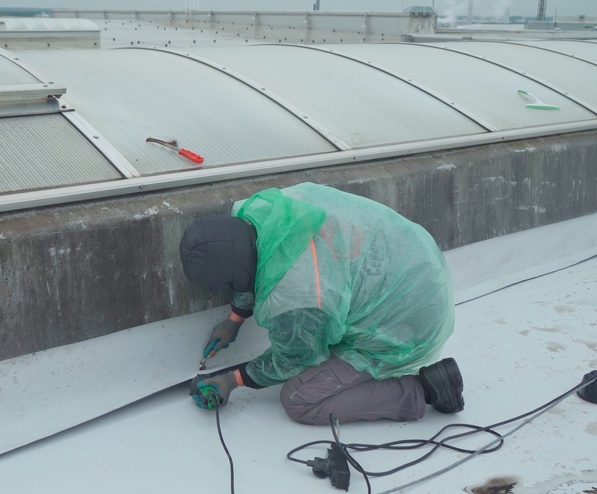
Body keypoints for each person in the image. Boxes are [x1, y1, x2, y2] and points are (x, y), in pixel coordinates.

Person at [179, 182, 463, 424]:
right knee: (321, 332)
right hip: (416, 262)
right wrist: (234, 320)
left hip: (407, 324)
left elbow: (293, 359)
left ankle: (422, 390)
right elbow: (255, 259)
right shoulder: (266, 210)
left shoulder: (298, 298)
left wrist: (233, 380)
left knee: (299, 399)